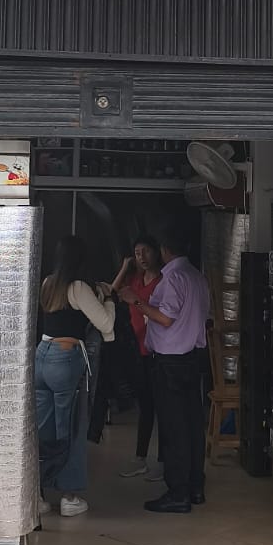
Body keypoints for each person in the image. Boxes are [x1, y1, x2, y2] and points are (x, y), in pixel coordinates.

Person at [122, 219, 210, 515]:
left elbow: (166, 318)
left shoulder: (172, 279)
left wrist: (136, 301)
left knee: (174, 429)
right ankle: (195, 486)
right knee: (193, 426)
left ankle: (178, 492)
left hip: (171, 361)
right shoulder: (197, 277)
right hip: (193, 359)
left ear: (164, 250)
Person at [37, 236, 114, 518]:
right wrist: (109, 300)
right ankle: (69, 496)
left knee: (43, 429)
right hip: (66, 358)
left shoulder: (48, 283)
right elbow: (105, 323)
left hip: (41, 356)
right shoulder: (79, 287)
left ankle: (37, 495)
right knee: (70, 427)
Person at [112, 237, 162, 479]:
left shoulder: (163, 281)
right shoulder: (135, 281)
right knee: (146, 407)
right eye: (137, 252)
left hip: (158, 352)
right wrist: (124, 267)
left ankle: (164, 460)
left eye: (146, 251)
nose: (141, 256)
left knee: (162, 408)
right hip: (138, 352)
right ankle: (140, 458)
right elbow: (112, 293)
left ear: (157, 252)